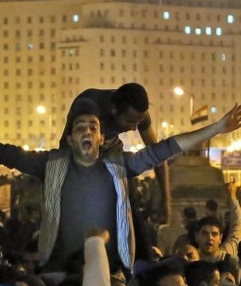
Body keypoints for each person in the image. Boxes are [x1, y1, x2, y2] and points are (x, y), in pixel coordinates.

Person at [0, 100, 241, 273]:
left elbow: (167, 148)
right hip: (59, 270)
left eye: (93, 127)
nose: (87, 131)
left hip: (112, 272)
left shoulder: (120, 167)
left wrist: (216, 128)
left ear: (101, 138)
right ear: (70, 139)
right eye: (80, 127)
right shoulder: (50, 165)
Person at [66, 83, 171, 220]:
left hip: (112, 149)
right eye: (129, 121)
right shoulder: (88, 107)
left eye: (137, 123)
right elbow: (71, 151)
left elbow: (157, 154)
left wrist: (166, 199)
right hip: (79, 151)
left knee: (130, 203)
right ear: (114, 110)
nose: (134, 128)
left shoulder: (138, 114)